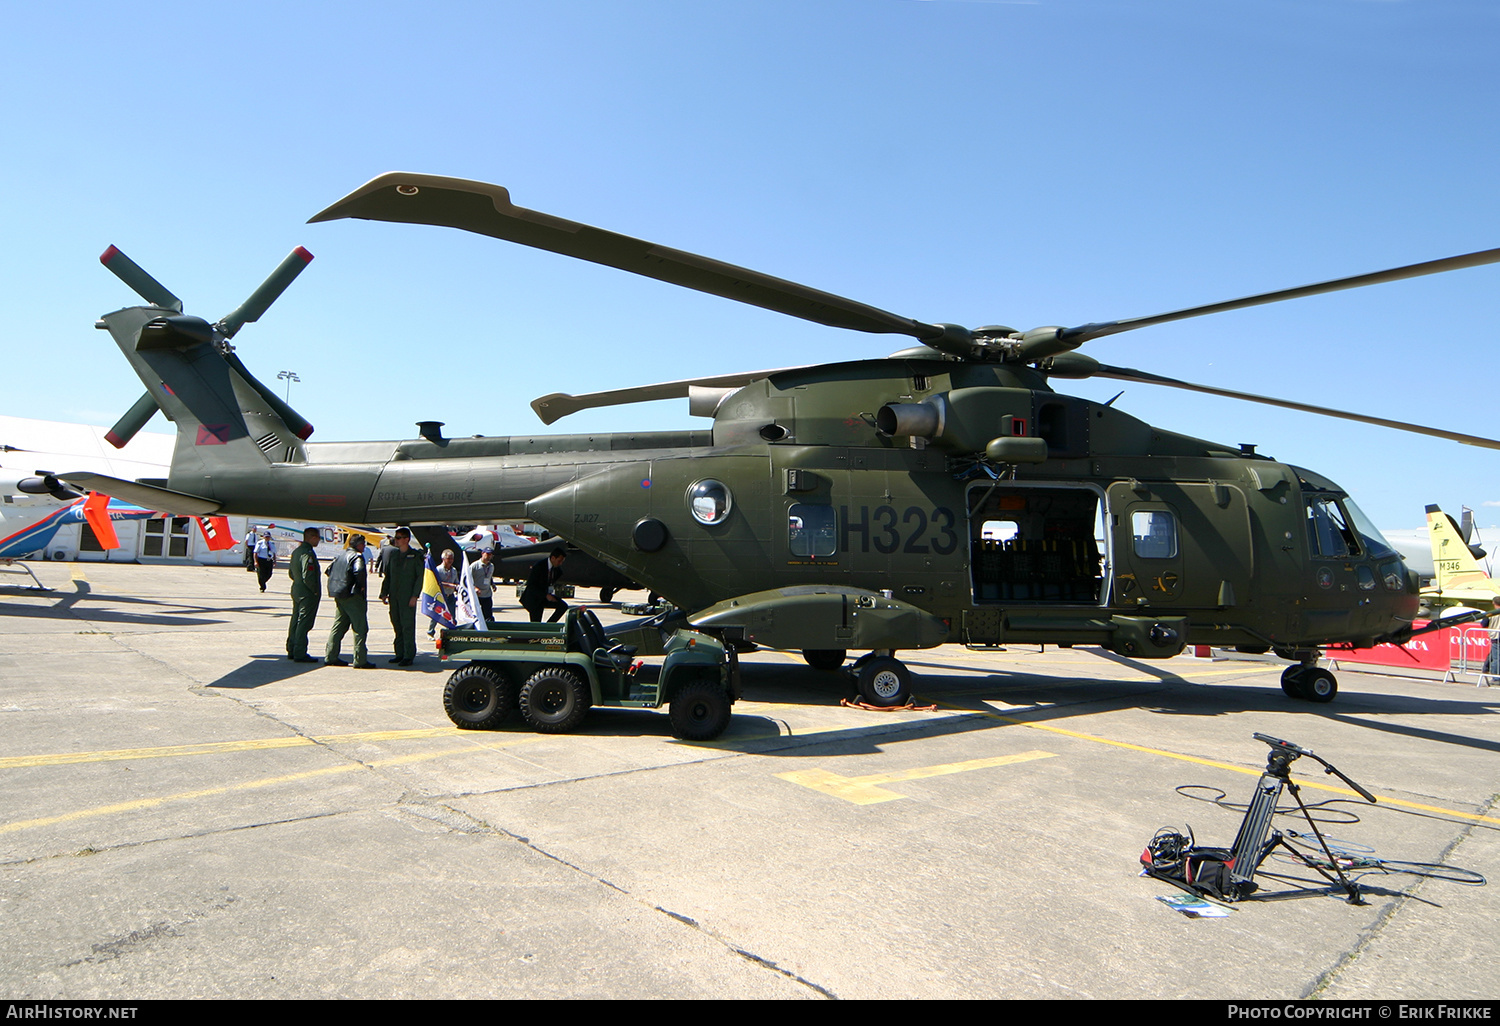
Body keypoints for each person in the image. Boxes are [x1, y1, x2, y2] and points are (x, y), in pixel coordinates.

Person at [324, 535, 373, 668]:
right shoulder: (357, 557)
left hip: (340, 595)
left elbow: (328, 570)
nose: (364, 546)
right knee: (360, 628)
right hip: (353, 596)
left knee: (338, 626)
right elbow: (359, 571)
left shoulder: (340, 556)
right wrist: (360, 585)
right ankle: (360, 659)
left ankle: (331, 655)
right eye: (363, 543)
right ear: (357, 545)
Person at [379, 528, 424, 666]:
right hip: (394, 596)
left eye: (399, 538)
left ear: (406, 539)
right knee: (397, 624)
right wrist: (384, 592)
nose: (396, 540)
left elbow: (419, 577)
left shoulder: (415, 556)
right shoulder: (393, 555)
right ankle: (399, 653)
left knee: (407, 626)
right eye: (396, 537)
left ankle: (408, 655)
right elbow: (388, 576)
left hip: (407, 597)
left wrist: (415, 596)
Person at [286, 527, 322, 663]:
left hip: (297, 590)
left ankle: (291, 648)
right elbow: (308, 575)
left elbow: (291, 573)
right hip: (307, 593)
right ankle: (300, 652)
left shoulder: (296, 551)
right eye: (318, 538)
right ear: (312, 537)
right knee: (304, 623)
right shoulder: (308, 553)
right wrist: (314, 591)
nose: (318, 540)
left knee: (295, 619)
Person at [521, 548, 568, 623]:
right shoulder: (539, 567)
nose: (560, 564)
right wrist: (545, 595)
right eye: (559, 561)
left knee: (563, 606)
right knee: (536, 622)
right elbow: (531, 586)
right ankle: (539, 631)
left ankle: (549, 625)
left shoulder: (557, 570)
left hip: (545, 595)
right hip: (534, 598)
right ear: (553, 558)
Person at [429, 548, 460, 637]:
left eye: (452, 558)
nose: (450, 561)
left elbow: (456, 581)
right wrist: (450, 585)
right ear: (443, 559)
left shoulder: (453, 570)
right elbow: (437, 582)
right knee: (436, 615)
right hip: (441, 596)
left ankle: (451, 632)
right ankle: (430, 632)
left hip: (450, 596)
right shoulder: (438, 570)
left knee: (452, 615)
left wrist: (458, 586)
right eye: (448, 558)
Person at [472, 548, 495, 625]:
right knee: (476, 615)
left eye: (490, 555)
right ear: (482, 553)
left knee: (488, 615)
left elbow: (489, 576)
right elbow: (467, 579)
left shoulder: (491, 566)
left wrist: (492, 584)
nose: (488, 556)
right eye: (487, 554)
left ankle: (488, 630)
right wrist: (475, 588)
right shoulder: (474, 566)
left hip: (487, 594)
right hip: (477, 595)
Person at [1485, 597, 1500, 685]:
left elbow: (1483, 623)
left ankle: (1496, 678)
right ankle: (1485, 669)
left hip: (1495, 636)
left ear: (1493, 603)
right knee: (1494, 656)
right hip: (1496, 636)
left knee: (1496, 658)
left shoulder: (1491, 613)